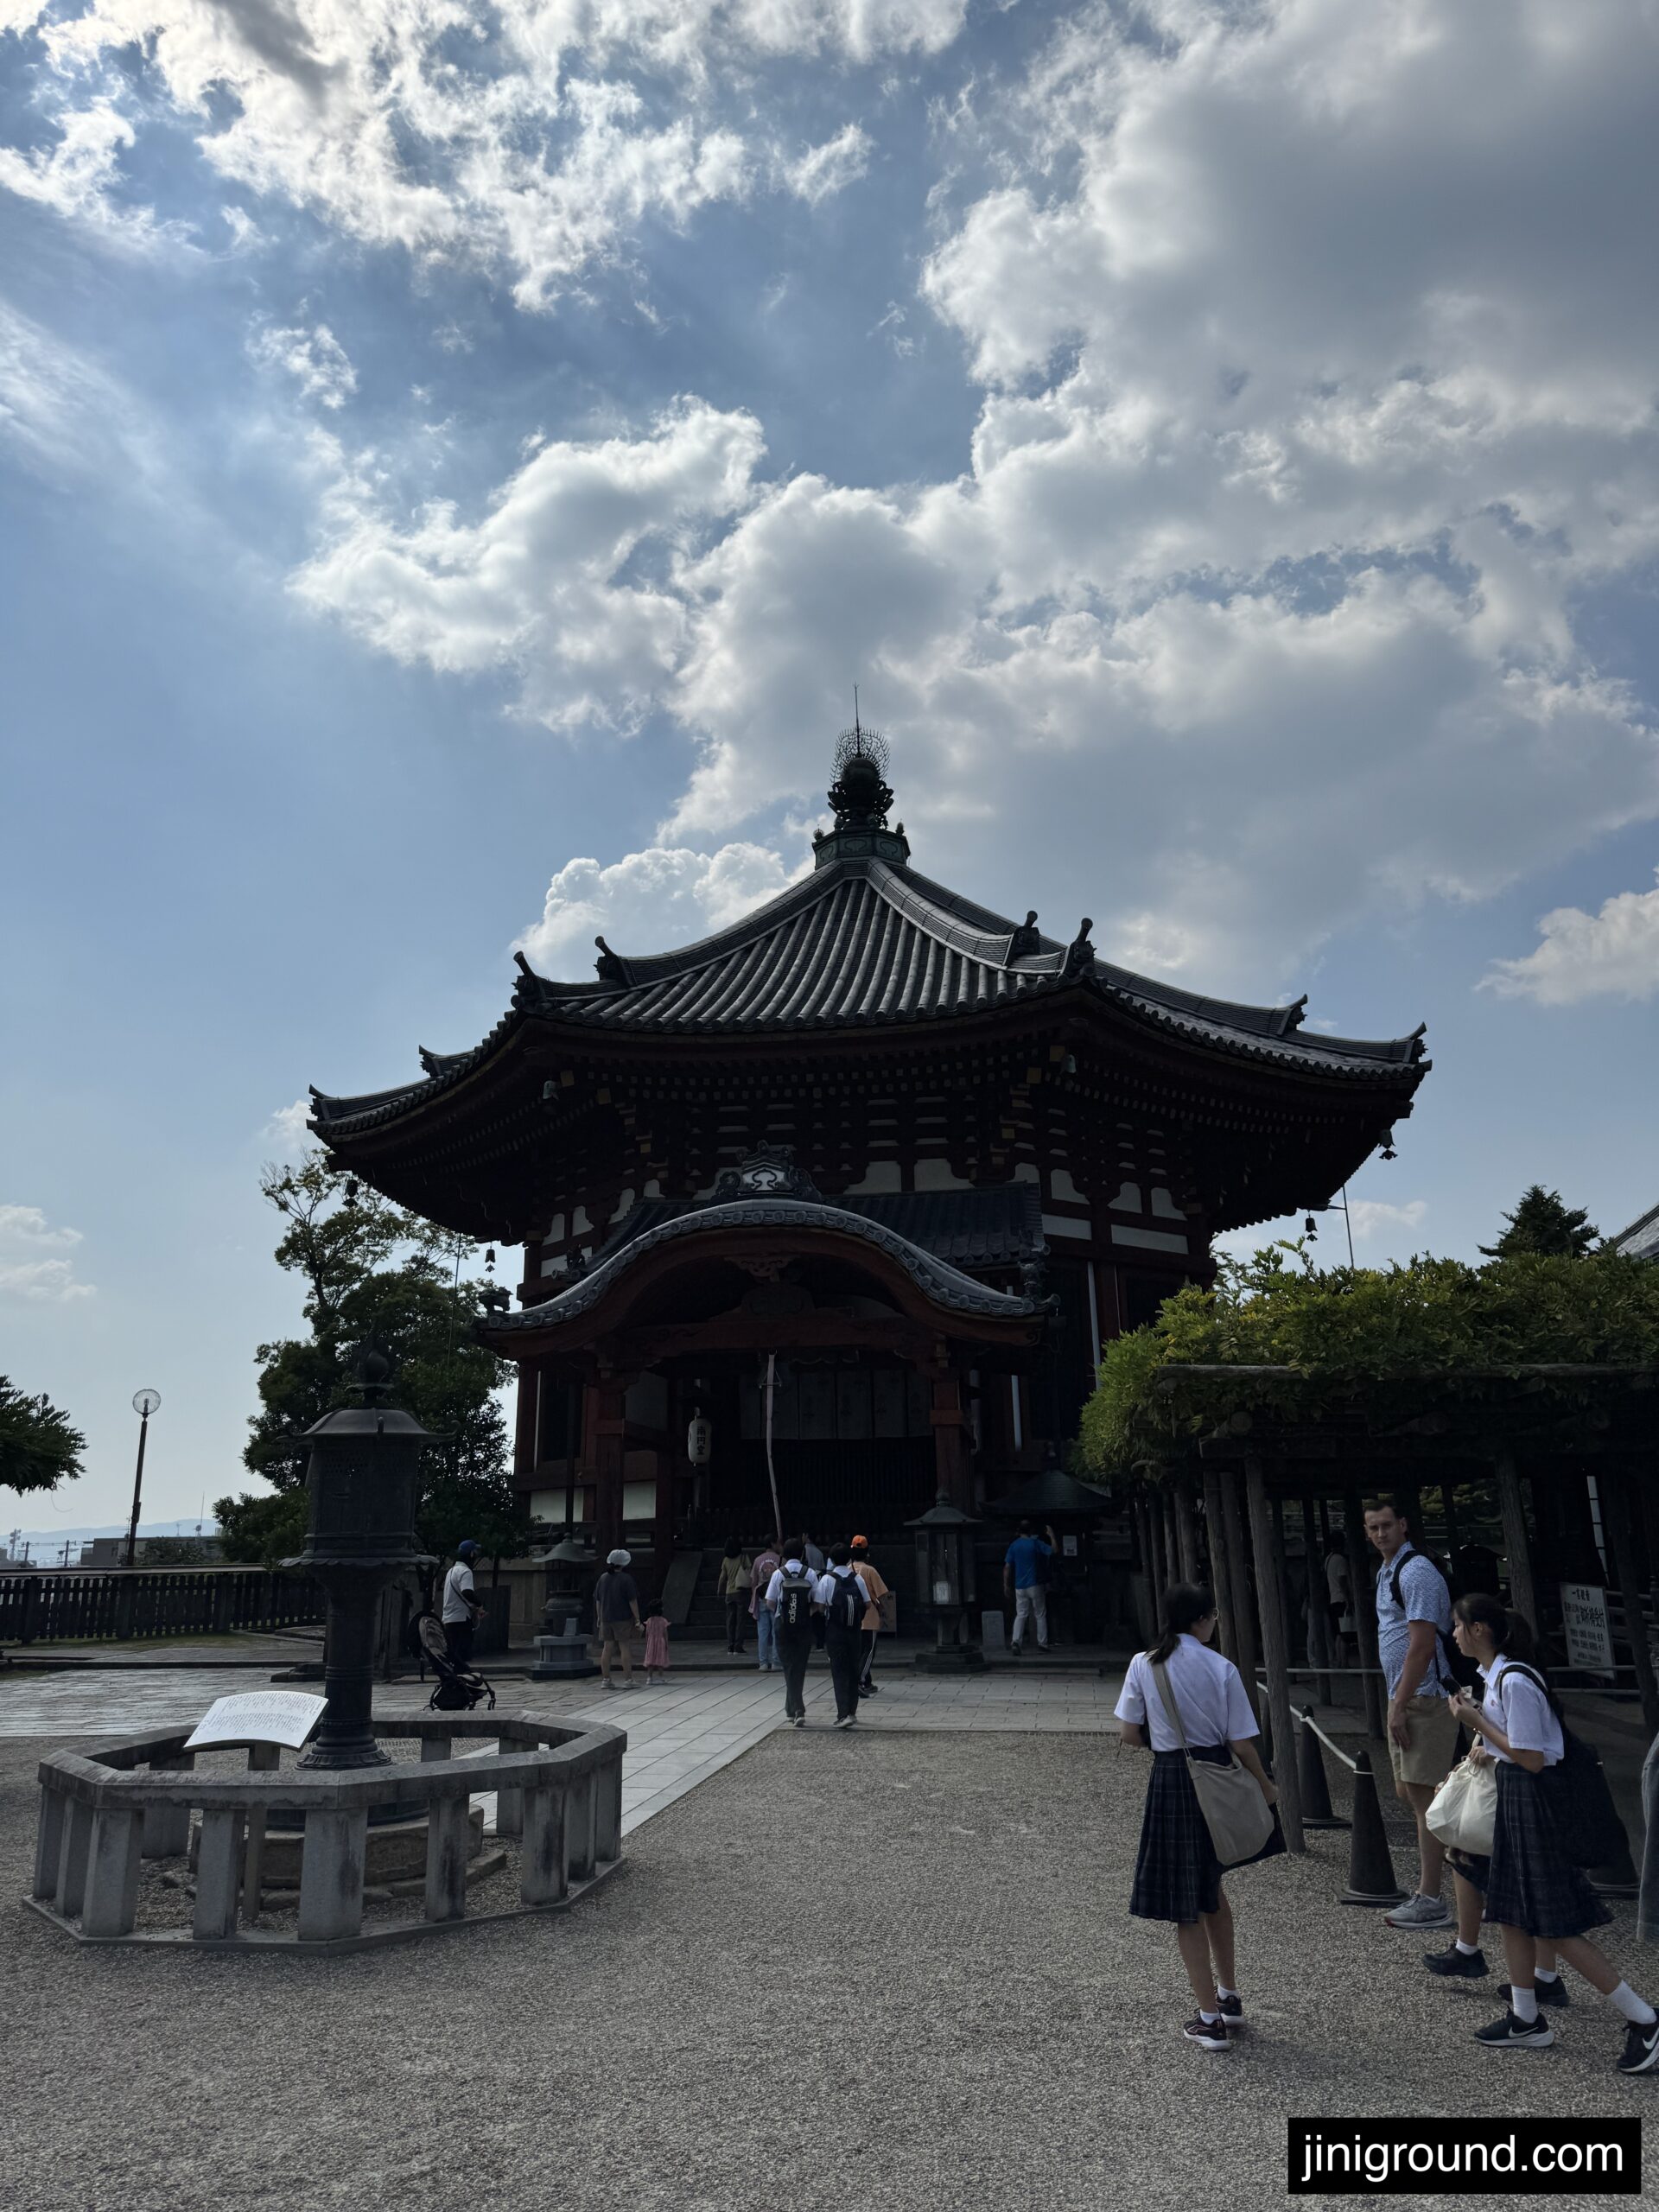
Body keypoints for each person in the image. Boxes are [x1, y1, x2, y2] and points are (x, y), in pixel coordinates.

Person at [1446, 1593, 1659, 2072]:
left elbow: (1532, 1757)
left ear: (1479, 1629)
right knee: (1514, 1912)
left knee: (1554, 1923)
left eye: (1458, 1625)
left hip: (1535, 1800)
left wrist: (1475, 1721)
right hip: (1520, 1798)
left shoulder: (1516, 1680)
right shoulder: (1499, 1676)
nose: (1454, 1633)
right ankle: (1525, 2017)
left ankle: (1645, 2019)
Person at [1116, 1582, 1281, 2050]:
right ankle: (1228, 1997)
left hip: (1172, 1778)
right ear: (1202, 1619)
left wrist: (1167, 1743)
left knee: (1184, 1902)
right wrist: (1266, 1788)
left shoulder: (1143, 1664)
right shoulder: (1221, 1666)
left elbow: (1128, 1733)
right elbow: (1243, 1743)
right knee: (1210, 1888)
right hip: (1218, 1776)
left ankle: (1209, 2019)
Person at [1364, 1497, 1459, 1929]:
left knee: (1425, 1796)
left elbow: (1422, 1645)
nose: (1381, 1534)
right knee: (1409, 1792)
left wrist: (1400, 1705)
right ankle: (1451, 1877)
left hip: (1423, 1695)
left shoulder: (1415, 1570)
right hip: (1403, 1693)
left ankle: (1431, 1896)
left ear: (1403, 1525)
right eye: (1373, 1528)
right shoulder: (1388, 1571)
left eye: (1386, 1525)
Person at [816, 1542, 871, 1729]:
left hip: (835, 1631)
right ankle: (852, 1712)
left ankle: (843, 1714)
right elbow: (868, 1604)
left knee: (838, 1671)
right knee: (853, 1670)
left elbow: (821, 1607)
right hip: (855, 1630)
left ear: (830, 1559)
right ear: (849, 1559)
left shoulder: (826, 1579)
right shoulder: (858, 1579)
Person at [766, 1541, 818, 1725]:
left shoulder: (778, 1574)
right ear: (803, 1554)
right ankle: (793, 1709)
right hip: (804, 1626)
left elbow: (770, 1602)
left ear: (784, 1554)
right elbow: (817, 1603)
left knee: (789, 1666)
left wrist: (784, 1614)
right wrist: (804, 1613)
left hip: (783, 1627)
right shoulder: (810, 1573)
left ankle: (797, 1709)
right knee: (799, 1666)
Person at [1005, 1520, 1058, 1654]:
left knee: (1021, 1614)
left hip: (1019, 1585)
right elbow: (1053, 1551)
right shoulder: (1035, 1544)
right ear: (1030, 1531)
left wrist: (1006, 1584)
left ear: (1018, 1531)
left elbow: (1007, 1567)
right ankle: (1043, 1643)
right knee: (1040, 1613)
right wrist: (1051, 1535)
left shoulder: (1014, 1546)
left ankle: (1016, 1641)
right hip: (1035, 1583)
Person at [593, 1546, 641, 1689]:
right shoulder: (626, 1579)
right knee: (624, 1646)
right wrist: (637, 1618)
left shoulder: (603, 1578)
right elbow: (632, 1601)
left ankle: (606, 1679)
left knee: (607, 1648)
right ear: (624, 1563)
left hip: (606, 1617)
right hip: (622, 1617)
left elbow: (598, 1600)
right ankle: (628, 1679)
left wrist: (599, 1617)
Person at [849, 1535, 889, 1697]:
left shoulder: (847, 1568)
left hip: (853, 1616)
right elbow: (882, 1593)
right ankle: (860, 1680)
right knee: (869, 1650)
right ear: (867, 1552)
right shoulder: (869, 1570)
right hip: (870, 1615)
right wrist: (883, 1608)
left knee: (859, 1651)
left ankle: (866, 1679)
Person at [440, 1540, 485, 1668]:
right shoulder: (465, 1572)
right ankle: (462, 1681)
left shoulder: (451, 1571)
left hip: (449, 1618)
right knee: (462, 1656)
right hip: (461, 1619)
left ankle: (455, 1681)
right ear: (471, 1554)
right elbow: (467, 1592)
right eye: (475, 1552)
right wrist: (479, 1604)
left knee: (453, 1655)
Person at [750, 1535, 782, 1671]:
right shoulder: (780, 1560)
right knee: (776, 1632)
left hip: (762, 1598)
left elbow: (753, 1581)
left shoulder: (758, 1560)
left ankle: (763, 1662)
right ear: (773, 1543)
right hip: (776, 1599)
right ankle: (776, 1662)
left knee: (762, 1632)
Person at [716, 1536, 752, 1656]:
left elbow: (722, 1577)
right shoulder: (743, 1557)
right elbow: (749, 1572)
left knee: (730, 1620)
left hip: (729, 1592)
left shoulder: (726, 1560)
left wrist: (719, 1590)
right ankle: (738, 1646)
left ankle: (730, 1646)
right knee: (740, 1621)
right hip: (741, 1591)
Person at [1324, 1538, 1352, 1665]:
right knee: (1345, 1632)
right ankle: (1344, 1661)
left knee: (1338, 1633)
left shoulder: (1328, 1559)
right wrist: (1348, 1599)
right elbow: (1342, 1581)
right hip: (1340, 1599)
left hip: (1332, 1598)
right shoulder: (1340, 1560)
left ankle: (1340, 1661)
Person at [643, 1598, 671, 1686]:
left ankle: (649, 1678)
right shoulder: (663, 1621)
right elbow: (665, 1633)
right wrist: (666, 1643)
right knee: (660, 1659)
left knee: (650, 1660)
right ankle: (660, 1677)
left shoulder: (649, 1621)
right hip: (660, 1642)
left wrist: (647, 1642)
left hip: (651, 1642)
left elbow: (647, 1633)